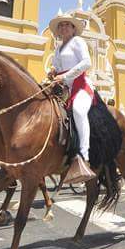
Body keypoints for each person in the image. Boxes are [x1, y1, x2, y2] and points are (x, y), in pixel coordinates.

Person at [49, 12, 96, 184]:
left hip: (81, 85)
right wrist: (54, 72)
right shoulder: (58, 48)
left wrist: (65, 75)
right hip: (64, 87)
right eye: (61, 25)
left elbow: (86, 63)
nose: (64, 27)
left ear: (74, 28)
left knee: (78, 110)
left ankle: (84, 154)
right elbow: (57, 67)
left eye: (67, 25)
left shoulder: (78, 42)